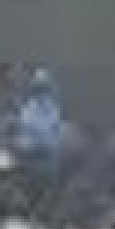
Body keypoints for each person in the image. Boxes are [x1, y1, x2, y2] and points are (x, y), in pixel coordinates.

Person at [11, 67, 72, 200]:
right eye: (39, 88)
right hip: (32, 147)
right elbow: (26, 125)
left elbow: (57, 125)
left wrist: (60, 132)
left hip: (49, 149)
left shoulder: (53, 106)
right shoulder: (29, 107)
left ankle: (53, 192)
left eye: (43, 87)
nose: (41, 92)